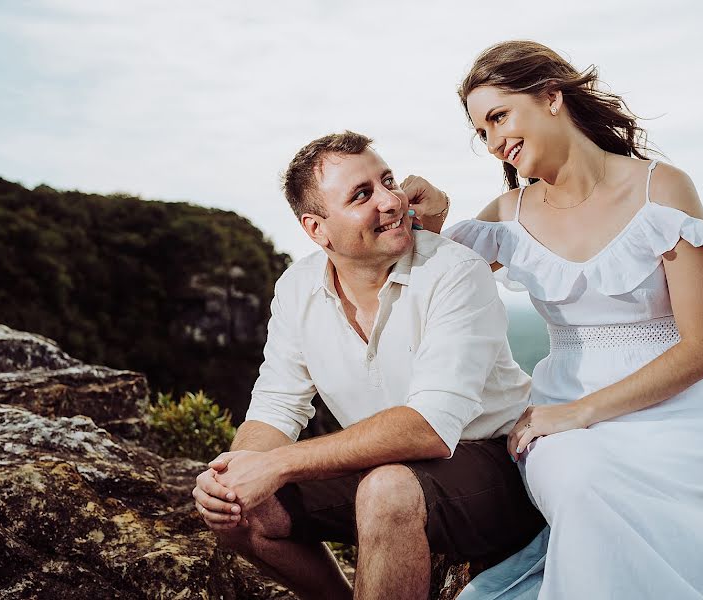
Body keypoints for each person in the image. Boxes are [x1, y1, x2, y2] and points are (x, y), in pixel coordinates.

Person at [403, 40, 703, 599]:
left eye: (499, 117)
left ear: (550, 96)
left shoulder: (659, 188)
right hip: (558, 425)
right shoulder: (507, 214)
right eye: (481, 132)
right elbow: (427, 285)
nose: (494, 142)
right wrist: (439, 214)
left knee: (589, 489)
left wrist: (577, 413)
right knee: (577, 477)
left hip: (675, 418)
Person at [191, 131, 546, 600]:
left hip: (496, 467)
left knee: (386, 490)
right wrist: (235, 471)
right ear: (317, 229)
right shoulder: (296, 287)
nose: (391, 201)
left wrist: (277, 465)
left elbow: (430, 428)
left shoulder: (455, 271)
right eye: (362, 195)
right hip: (387, 468)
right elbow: (276, 406)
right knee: (238, 505)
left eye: (388, 181)